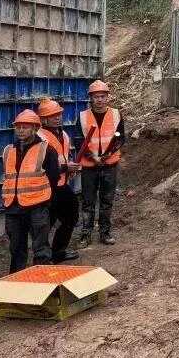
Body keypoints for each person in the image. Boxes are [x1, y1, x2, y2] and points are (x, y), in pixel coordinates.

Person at [2, 110, 59, 272]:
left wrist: (43, 200)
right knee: (16, 249)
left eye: (25, 127)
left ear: (35, 129)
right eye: (18, 127)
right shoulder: (8, 151)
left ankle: (42, 277)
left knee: (40, 248)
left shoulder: (46, 150)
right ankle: (16, 278)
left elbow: (53, 177)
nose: (20, 130)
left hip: (37, 206)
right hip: (13, 206)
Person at [78, 80, 124, 247]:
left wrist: (109, 153)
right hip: (90, 166)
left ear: (107, 97)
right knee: (88, 202)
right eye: (96, 96)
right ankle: (86, 234)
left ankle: (105, 232)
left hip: (109, 164)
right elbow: (79, 141)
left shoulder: (116, 115)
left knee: (106, 201)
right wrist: (93, 157)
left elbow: (120, 138)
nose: (99, 99)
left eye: (102, 96)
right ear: (91, 98)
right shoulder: (83, 117)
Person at [36, 99, 80, 263]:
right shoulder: (39, 137)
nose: (57, 117)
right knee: (47, 222)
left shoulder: (64, 134)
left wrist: (69, 170)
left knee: (71, 215)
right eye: (52, 115)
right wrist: (65, 167)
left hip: (61, 184)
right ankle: (43, 255)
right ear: (43, 119)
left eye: (58, 114)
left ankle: (57, 252)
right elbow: (40, 165)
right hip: (46, 186)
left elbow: (64, 156)